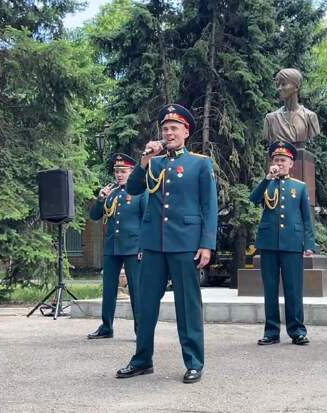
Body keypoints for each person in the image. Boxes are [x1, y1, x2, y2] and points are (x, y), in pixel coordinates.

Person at [115, 103, 217, 384]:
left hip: (185, 243)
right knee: (146, 304)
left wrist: (206, 244)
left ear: (186, 132)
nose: (168, 133)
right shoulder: (154, 163)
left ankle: (194, 362)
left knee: (188, 306)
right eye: (165, 129)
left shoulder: (199, 163)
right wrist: (144, 161)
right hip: (153, 244)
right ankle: (142, 360)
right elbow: (134, 189)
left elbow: (209, 206)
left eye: (174, 128)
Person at [249, 140, 315, 346]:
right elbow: (253, 199)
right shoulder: (266, 184)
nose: (279, 163)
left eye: (283, 160)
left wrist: (309, 244)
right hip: (268, 243)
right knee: (270, 289)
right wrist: (267, 179)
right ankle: (271, 331)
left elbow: (307, 217)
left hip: (292, 243)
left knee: (293, 289)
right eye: (276, 160)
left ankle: (297, 331)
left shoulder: (300, 187)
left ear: (291, 163)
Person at [87, 153, 148, 339]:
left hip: (133, 247)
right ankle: (106, 327)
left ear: (132, 172)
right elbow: (95, 216)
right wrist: (100, 199)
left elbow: (147, 220)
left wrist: (143, 248)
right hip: (112, 246)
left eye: (123, 171)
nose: (119, 175)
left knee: (136, 290)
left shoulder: (140, 192)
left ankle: (140, 329)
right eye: (117, 171)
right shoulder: (111, 193)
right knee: (108, 289)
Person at [263, 68, 320, 145]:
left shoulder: (310, 117)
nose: (279, 88)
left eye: (283, 84)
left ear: (296, 87)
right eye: (278, 85)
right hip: (278, 154)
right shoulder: (270, 118)